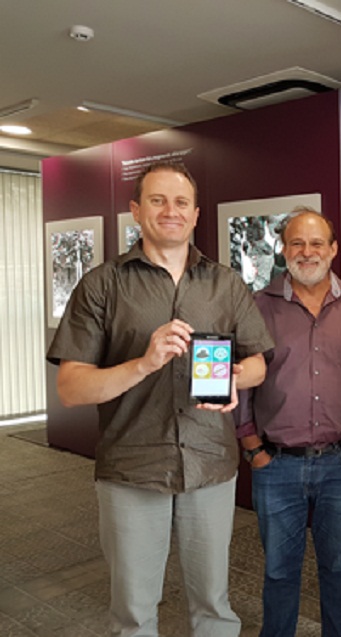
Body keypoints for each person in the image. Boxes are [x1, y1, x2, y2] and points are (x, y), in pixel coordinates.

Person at [46, 161, 274, 636]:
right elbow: (71, 387)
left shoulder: (226, 283)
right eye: (157, 200)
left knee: (214, 605)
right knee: (133, 611)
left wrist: (236, 379)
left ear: (195, 215)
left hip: (210, 465)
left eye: (181, 202)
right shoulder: (102, 284)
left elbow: (258, 363)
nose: (170, 211)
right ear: (136, 210)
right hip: (133, 468)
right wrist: (143, 364)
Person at [235, 207, 341, 637]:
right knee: (280, 570)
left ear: (333, 249)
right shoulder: (258, 306)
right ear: (283, 249)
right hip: (276, 463)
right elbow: (241, 382)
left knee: (338, 564)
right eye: (297, 242)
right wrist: (251, 447)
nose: (307, 251)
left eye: (317, 243)